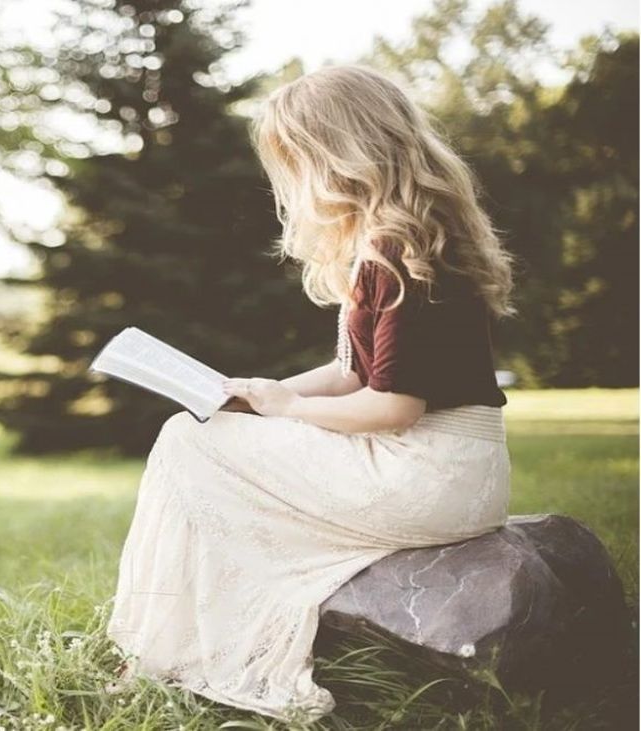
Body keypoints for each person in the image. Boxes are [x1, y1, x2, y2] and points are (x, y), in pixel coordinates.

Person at [102, 64, 517, 724]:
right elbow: (353, 372)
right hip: (451, 468)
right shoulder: (404, 235)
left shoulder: (396, 247)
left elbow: (393, 406)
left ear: (341, 152)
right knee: (204, 434)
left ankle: (167, 651)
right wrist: (260, 393)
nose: (293, 181)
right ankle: (177, 643)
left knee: (187, 441)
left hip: (427, 469)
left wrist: (289, 412)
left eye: (297, 159)